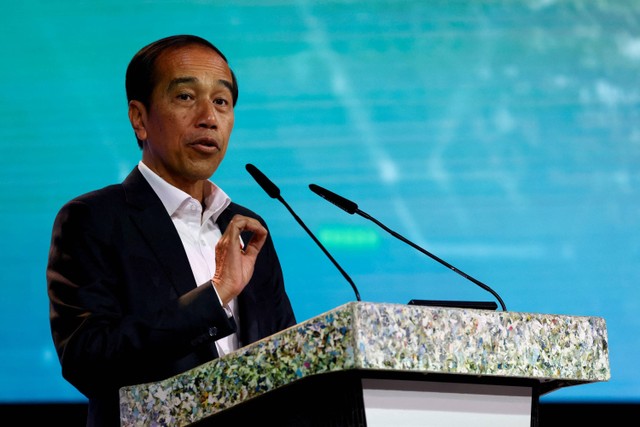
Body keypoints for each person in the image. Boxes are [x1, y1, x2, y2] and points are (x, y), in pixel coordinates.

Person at [46, 35, 296, 426]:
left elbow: (287, 359)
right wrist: (214, 296)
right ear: (139, 118)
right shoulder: (93, 220)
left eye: (221, 102)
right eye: (184, 97)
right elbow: (87, 359)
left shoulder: (246, 229)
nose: (208, 117)